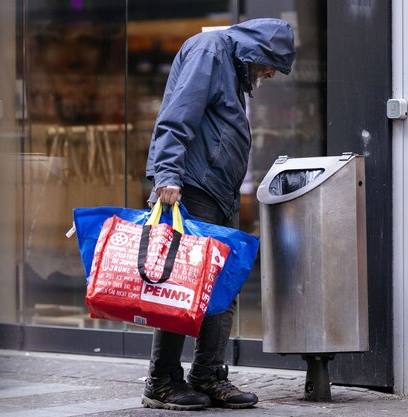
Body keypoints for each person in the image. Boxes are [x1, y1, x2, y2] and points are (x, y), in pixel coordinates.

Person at [142, 18, 296, 411]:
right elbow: (178, 114)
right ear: (257, 51)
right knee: (182, 285)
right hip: (192, 187)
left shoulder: (231, 64)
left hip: (218, 191)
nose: (271, 73)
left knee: (220, 287)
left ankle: (208, 375)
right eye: (271, 63)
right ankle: (161, 381)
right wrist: (167, 173)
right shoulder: (210, 52)